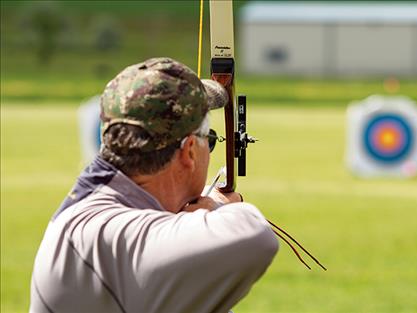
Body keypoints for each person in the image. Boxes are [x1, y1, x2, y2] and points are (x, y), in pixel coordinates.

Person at [30, 57, 278, 313]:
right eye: (210, 139)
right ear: (189, 151)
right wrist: (218, 207)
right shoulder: (98, 234)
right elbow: (255, 236)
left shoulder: (95, 196)